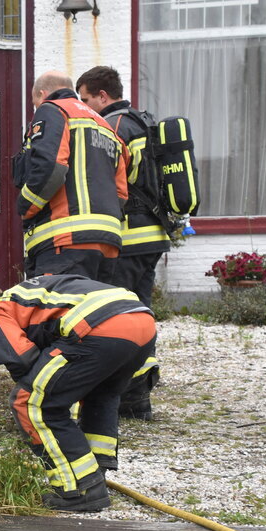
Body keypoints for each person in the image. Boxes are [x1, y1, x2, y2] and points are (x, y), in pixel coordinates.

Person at [0, 274, 156, 512]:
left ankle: (79, 490)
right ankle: (95, 473)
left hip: (98, 326)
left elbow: (21, 360)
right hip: (141, 322)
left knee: (31, 402)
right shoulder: (30, 296)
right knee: (99, 395)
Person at [75, 66, 167, 421]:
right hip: (154, 234)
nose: (84, 107)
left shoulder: (111, 127)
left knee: (120, 318)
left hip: (128, 237)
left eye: (86, 100)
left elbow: (109, 183)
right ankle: (139, 396)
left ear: (102, 96)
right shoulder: (142, 122)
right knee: (141, 313)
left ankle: (128, 397)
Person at [12, 71, 128, 281]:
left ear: (42, 94)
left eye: (35, 103)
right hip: (107, 242)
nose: (36, 109)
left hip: (65, 241)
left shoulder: (52, 110)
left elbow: (51, 166)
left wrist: (25, 207)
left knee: (58, 310)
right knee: (95, 312)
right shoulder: (105, 125)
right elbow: (120, 191)